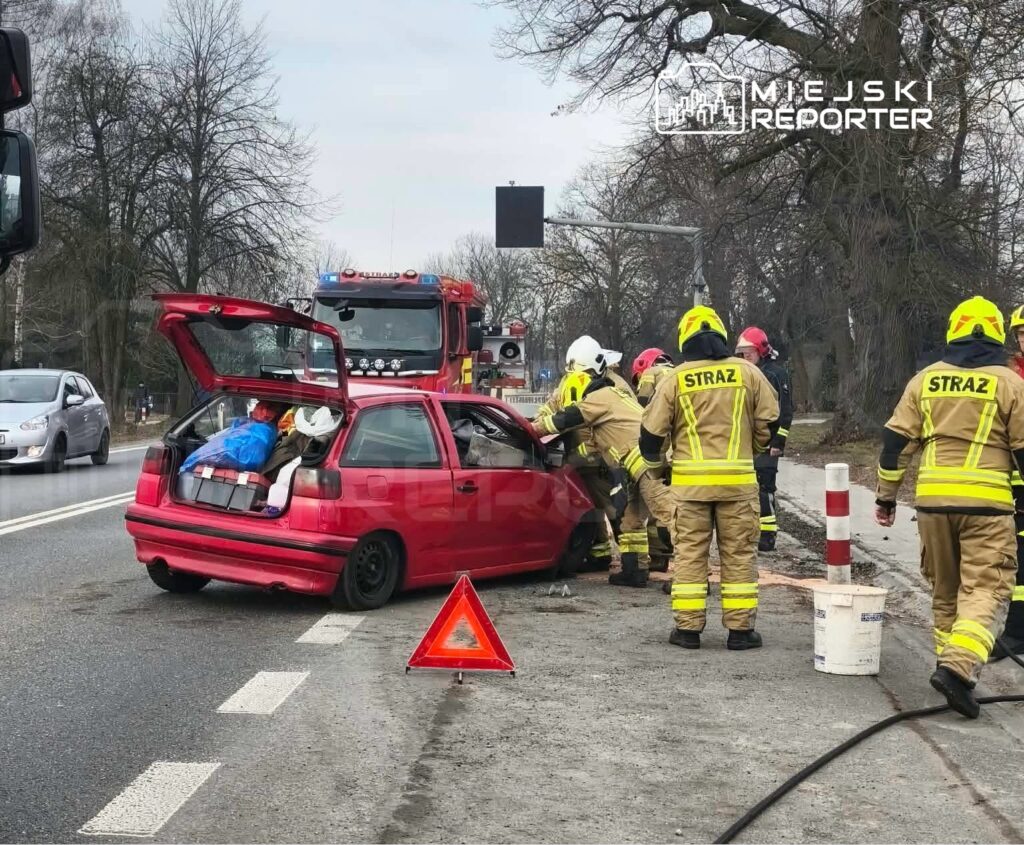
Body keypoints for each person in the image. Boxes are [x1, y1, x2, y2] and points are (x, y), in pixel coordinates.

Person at [875, 296, 1024, 718]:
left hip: (933, 504)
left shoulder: (924, 381)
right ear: (997, 333)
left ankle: (951, 674)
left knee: (946, 591)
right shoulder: (1010, 383)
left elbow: (895, 445)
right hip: (988, 507)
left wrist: (886, 497)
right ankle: (958, 670)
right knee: (988, 590)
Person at [641, 305, 779, 650]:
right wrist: (754, 448)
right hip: (738, 485)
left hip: (690, 489)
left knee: (689, 556)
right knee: (739, 556)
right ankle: (740, 632)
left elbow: (650, 438)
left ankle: (688, 631)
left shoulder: (675, 379)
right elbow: (771, 422)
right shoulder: (748, 373)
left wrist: (660, 470)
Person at [532, 335, 675, 588]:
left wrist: (531, 429)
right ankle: (635, 571)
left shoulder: (601, 397)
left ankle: (692, 575)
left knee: (670, 514)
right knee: (630, 519)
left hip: (644, 462)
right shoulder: (613, 393)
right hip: (629, 466)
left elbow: (563, 420)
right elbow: (592, 439)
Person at [735, 327, 793, 551]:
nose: (745, 356)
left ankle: (768, 536)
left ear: (761, 350)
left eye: (749, 352)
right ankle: (754, 531)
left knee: (764, 488)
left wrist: (779, 441)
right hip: (749, 441)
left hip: (769, 442)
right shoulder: (747, 372)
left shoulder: (776, 374)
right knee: (750, 488)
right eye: (742, 353)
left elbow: (785, 411)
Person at [632, 347, 676, 575]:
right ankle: (661, 556)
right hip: (680, 446)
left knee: (656, 499)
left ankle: (660, 554)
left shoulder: (651, 373)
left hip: (658, 442)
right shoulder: (678, 372)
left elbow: (641, 408)